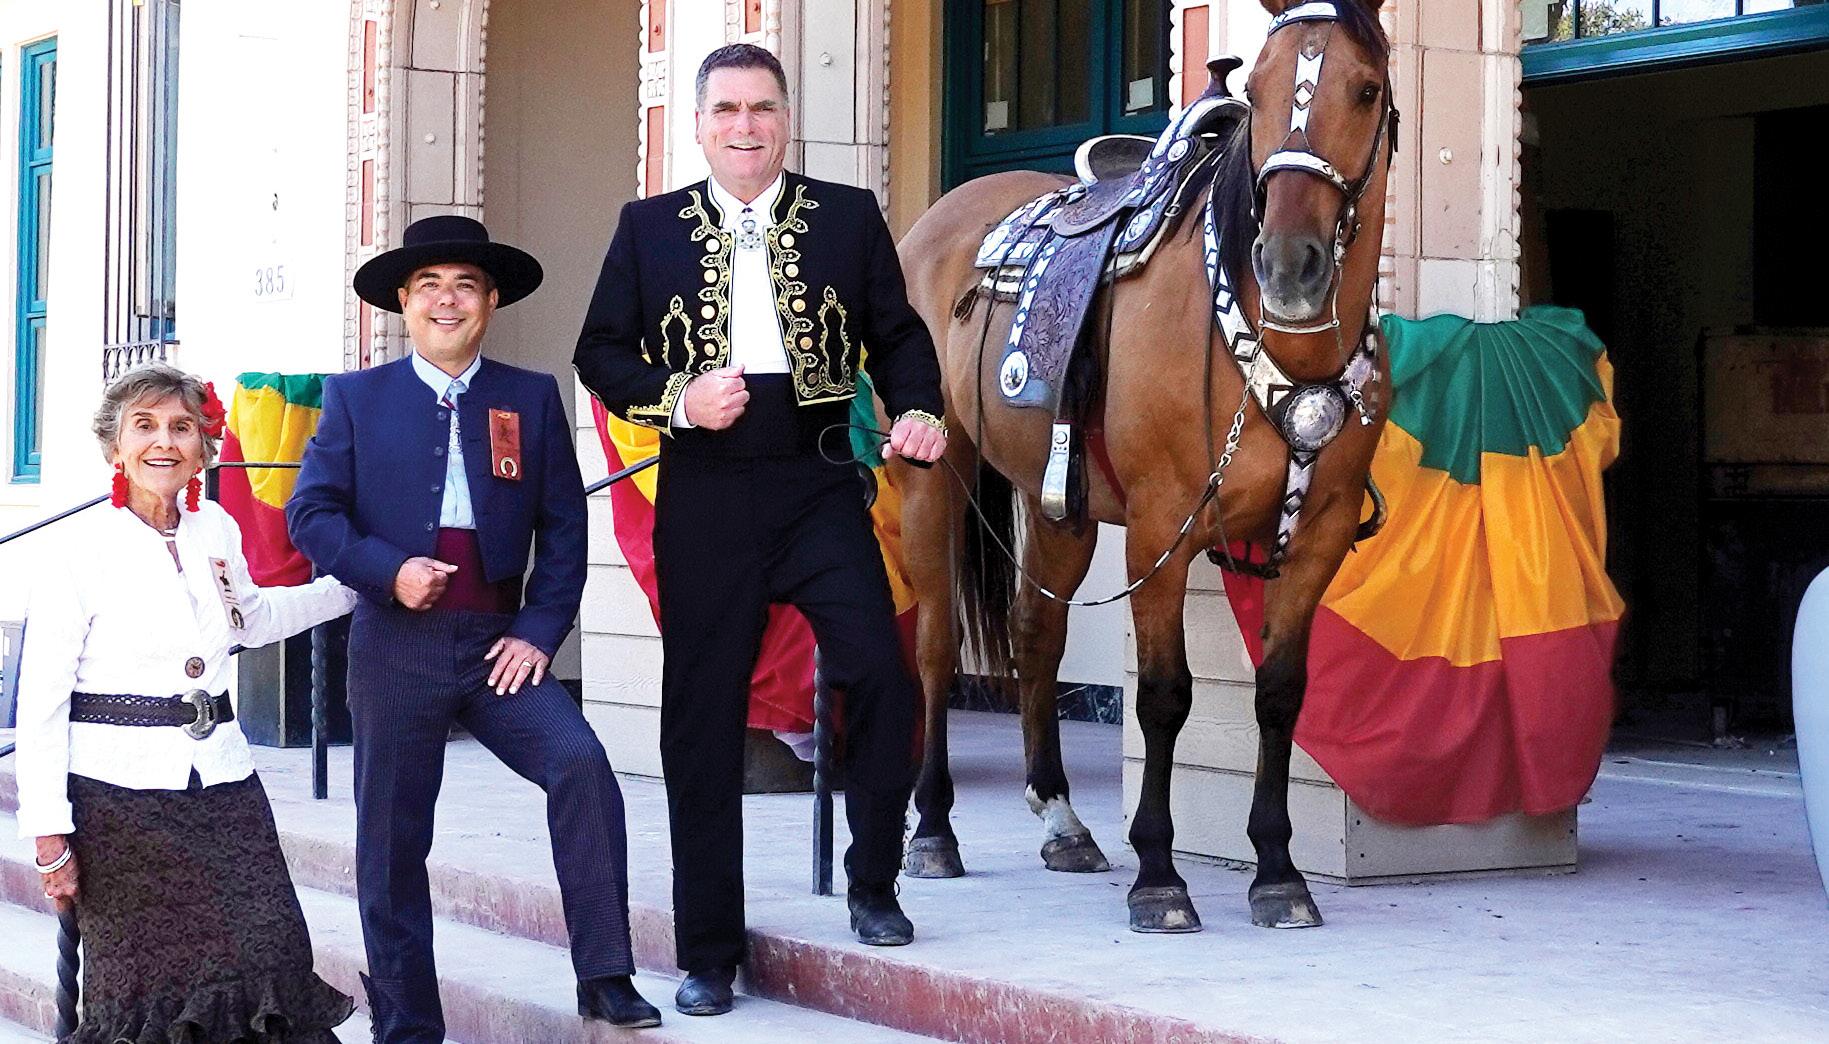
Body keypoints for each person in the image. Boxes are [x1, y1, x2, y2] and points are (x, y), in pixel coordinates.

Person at [573, 43, 947, 1018]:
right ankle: (708, 949)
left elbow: (900, 334)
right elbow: (598, 352)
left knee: (876, 668)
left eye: (763, 108)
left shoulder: (847, 217)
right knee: (701, 719)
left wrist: (917, 406)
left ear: (786, 120)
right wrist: (677, 399)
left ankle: (872, 881)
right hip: (704, 487)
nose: (746, 125)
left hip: (818, 480)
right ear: (697, 125)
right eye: (727, 109)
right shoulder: (646, 228)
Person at [287, 215, 661, 1040]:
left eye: (464, 286)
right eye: (429, 287)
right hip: (396, 648)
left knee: (581, 768)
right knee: (390, 838)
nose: (446, 301)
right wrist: (388, 570)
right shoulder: (355, 398)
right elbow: (309, 514)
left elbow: (564, 528)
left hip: (499, 647)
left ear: (490, 302)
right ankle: (408, 1023)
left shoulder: (527, 397)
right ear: (403, 303)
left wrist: (537, 630)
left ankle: (604, 973)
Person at [15, 364, 358, 1043]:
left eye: (181, 427)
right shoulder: (76, 550)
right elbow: (41, 703)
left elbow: (248, 619)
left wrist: (352, 587)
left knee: (272, 949)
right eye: (143, 427)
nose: (163, 442)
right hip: (119, 799)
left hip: (225, 786)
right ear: (115, 447)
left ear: (204, 447)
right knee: (149, 995)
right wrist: (50, 834)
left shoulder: (216, 529)